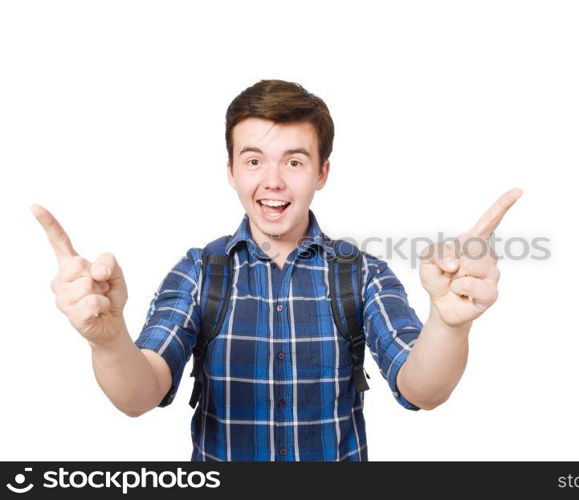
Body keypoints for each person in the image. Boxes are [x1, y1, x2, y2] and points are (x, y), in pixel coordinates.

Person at [33, 79, 521, 461]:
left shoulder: (361, 274)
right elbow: (141, 394)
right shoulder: (200, 272)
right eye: (253, 160)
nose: (272, 181)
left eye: (294, 161)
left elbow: (422, 389)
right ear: (230, 171)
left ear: (322, 172)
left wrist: (450, 325)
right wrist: (108, 340)